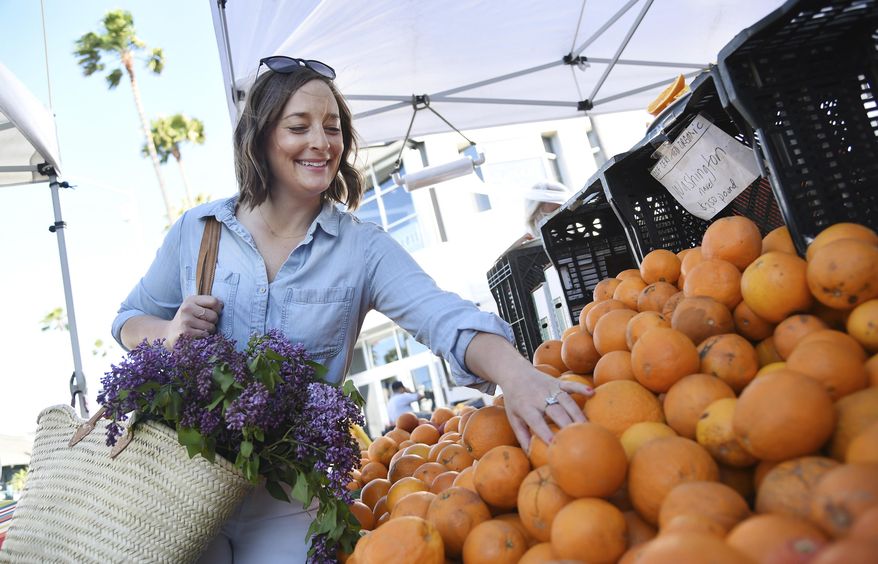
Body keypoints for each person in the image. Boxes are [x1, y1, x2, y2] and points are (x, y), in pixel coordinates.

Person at [111, 56, 591, 563]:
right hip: (184, 479)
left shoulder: (361, 248)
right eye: (299, 126)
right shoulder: (198, 231)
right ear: (260, 136)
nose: (321, 142)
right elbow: (129, 319)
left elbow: (442, 315)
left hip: (291, 495)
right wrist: (168, 332)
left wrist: (517, 375)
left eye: (332, 127)